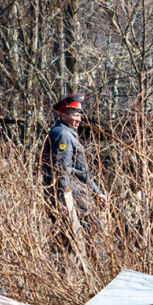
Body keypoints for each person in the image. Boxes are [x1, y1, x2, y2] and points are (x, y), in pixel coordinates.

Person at [41, 93, 106, 228]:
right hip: (73, 195)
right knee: (92, 232)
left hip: (79, 192)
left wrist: (96, 192)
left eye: (80, 116)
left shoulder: (68, 134)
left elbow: (82, 172)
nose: (79, 120)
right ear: (63, 116)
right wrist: (64, 200)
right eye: (75, 116)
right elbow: (62, 170)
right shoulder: (63, 134)